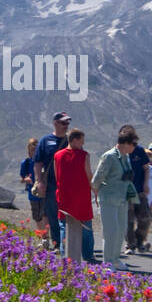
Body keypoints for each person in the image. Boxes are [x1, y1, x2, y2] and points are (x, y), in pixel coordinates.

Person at [33, 111, 93, 260]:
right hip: (52, 184)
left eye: (68, 123)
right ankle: (58, 245)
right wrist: (39, 180)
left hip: (71, 186)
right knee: (54, 215)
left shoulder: (71, 140)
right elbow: (38, 162)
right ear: (55, 123)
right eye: (63, 123)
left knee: (71, 217)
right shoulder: (46, 141)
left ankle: (70, 248)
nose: (66, 125)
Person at [93, 129, 140, 269]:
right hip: (108, 198)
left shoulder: (126, 157)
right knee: (111, 231)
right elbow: (97, 179)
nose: (135, 146)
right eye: (133, 143)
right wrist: (98, 194)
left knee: (121, 230)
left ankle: (115, 259)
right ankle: (107, 261)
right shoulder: (109, 157)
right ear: (125, 143)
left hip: (122, 199)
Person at [53, 129, 93, 263]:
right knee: (86, 226)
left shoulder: (57, 155)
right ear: (75, 140)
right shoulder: (84, 155)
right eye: (82, 140)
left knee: (64, 226)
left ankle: (66, 257)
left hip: (64, 196)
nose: (83, 143)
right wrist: (96, 191)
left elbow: (56, 175)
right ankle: (88, 256)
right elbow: (89, 176)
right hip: (81, 197)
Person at [120, 125, 152, 252]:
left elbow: (146, 168)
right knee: (128, 219)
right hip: (125, 192)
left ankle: (140, 241)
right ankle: (130, 244)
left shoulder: (139, 151)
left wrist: (146, 184)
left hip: (139, 190)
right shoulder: (119, 152)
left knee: (146, 217)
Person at [20, 137, 49, 246]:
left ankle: (46, 237)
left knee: (46, 215)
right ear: (29, 150)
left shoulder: (44, 162)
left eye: (36, 149)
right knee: (37, 217)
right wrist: (25, 180)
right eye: (32, 150)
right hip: (33, 194)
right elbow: (21, 178)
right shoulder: (26, 163)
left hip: (45, 193)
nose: (34, 152)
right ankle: (43, 236)